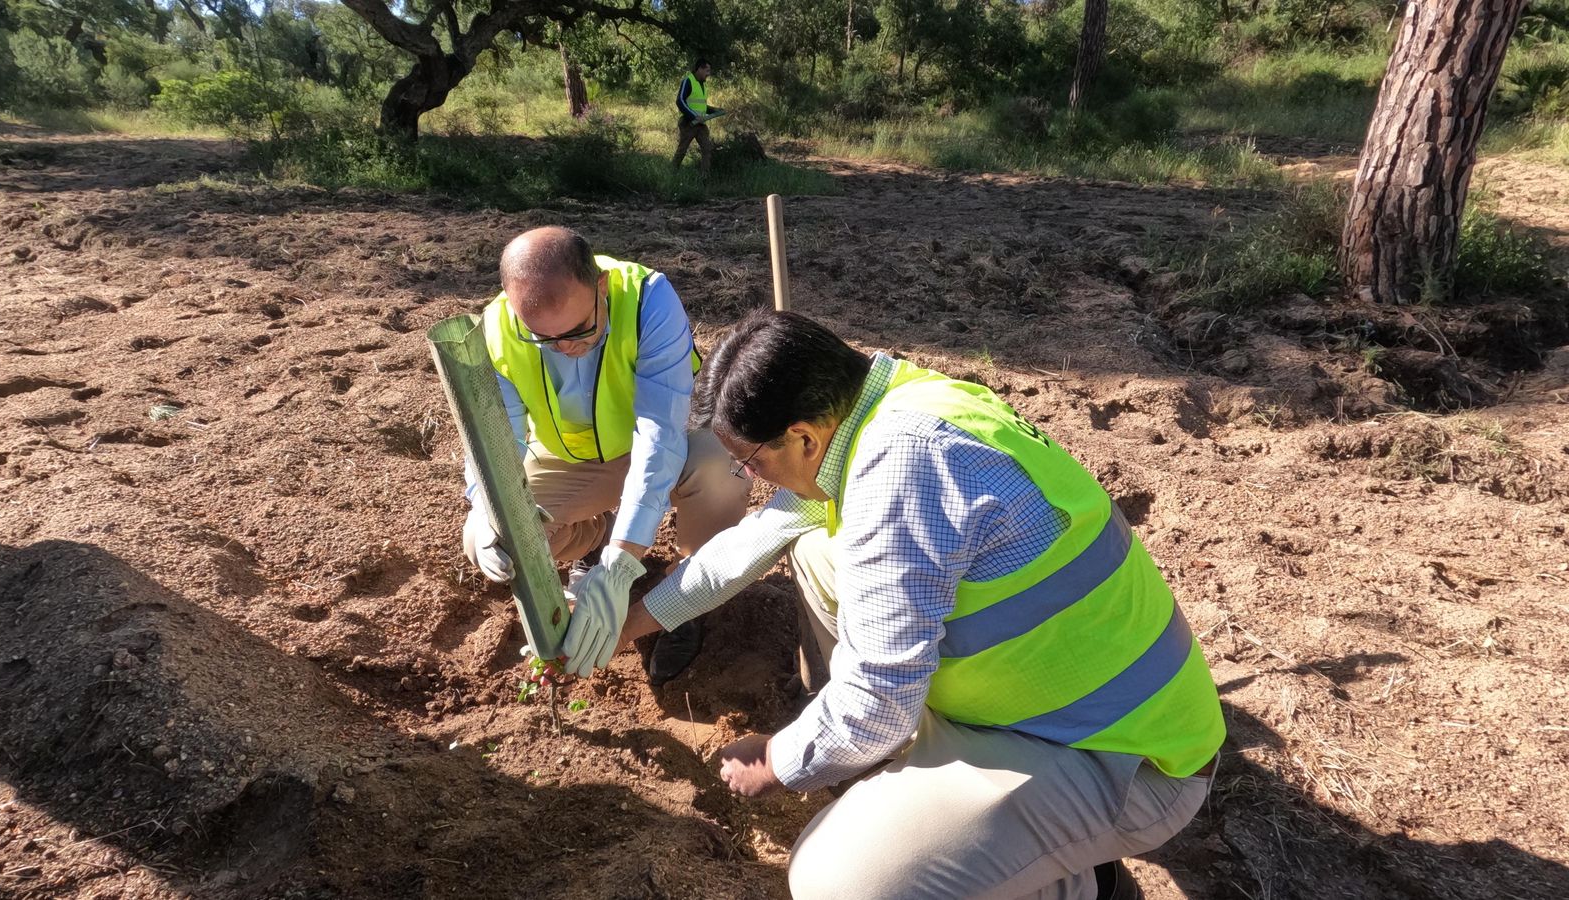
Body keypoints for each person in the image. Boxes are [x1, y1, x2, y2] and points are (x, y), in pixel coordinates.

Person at [607, 310, 1226, 899]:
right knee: (817, 545)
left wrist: (776, 759)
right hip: (1039, 708)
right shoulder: (888, 404)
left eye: (751, 461)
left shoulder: (902, 470)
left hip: (1124, 761)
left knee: (836, 882)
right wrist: (630, 621)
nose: (757, 478)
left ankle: (1082, 884)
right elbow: (750, 542)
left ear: (801, 435)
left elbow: (878, 699)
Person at [461, 226, 750, 680]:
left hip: (665, 449)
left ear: (599, 285)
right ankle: (594, 540)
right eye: (543, 339)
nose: (565, 348)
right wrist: (484, 505)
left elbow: (659, 432)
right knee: (497, 534)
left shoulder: (648, 299)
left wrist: (624, 562)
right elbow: (501, 442)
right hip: (572, 461)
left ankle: (684, 598)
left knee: (721, 467)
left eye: (578, 331)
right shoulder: (496, 328)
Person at [672, 58, 720, 177]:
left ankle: (704, 177)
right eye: (707, 70)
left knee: (707, 149)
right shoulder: (688, 81)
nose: (708, 74)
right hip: (688, 123)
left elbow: (701, 106)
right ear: (699, 69)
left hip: (701, 125)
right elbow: (680, 101)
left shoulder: (703, 85)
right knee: (682, 150)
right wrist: (693, 116)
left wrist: (714, 110)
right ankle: (671, 173)